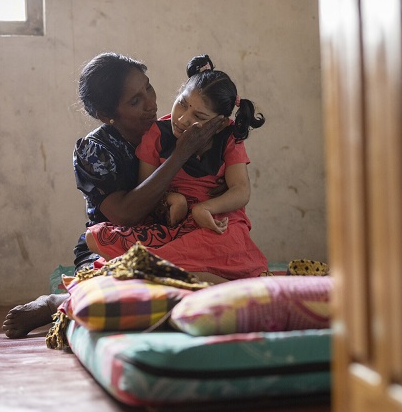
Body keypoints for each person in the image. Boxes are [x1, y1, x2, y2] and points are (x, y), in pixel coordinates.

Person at [2, 52, 225, 339]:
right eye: (135, 101)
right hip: (110, 244)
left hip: (169, 238)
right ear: (107, 115)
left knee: (210, 283)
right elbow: (125, 213)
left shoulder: (173, 129)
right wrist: (181, 154)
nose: (150, 103)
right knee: (120, 294)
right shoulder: (95, 150)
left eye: (148, 87)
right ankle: (56, 303)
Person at [85, 67, 268, 283]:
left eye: (198, 116)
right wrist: (173, 199)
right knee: (97, 237)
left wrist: (206, 207)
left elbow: (241, 189)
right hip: (171, 223)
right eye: (182, 103)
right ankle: (201, 278)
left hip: (213, 220)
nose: (182, 119)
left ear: (218, 124)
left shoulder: (228, 137)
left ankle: (172, 274)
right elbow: (144, 188)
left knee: (228, 243)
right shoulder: (156, 134)